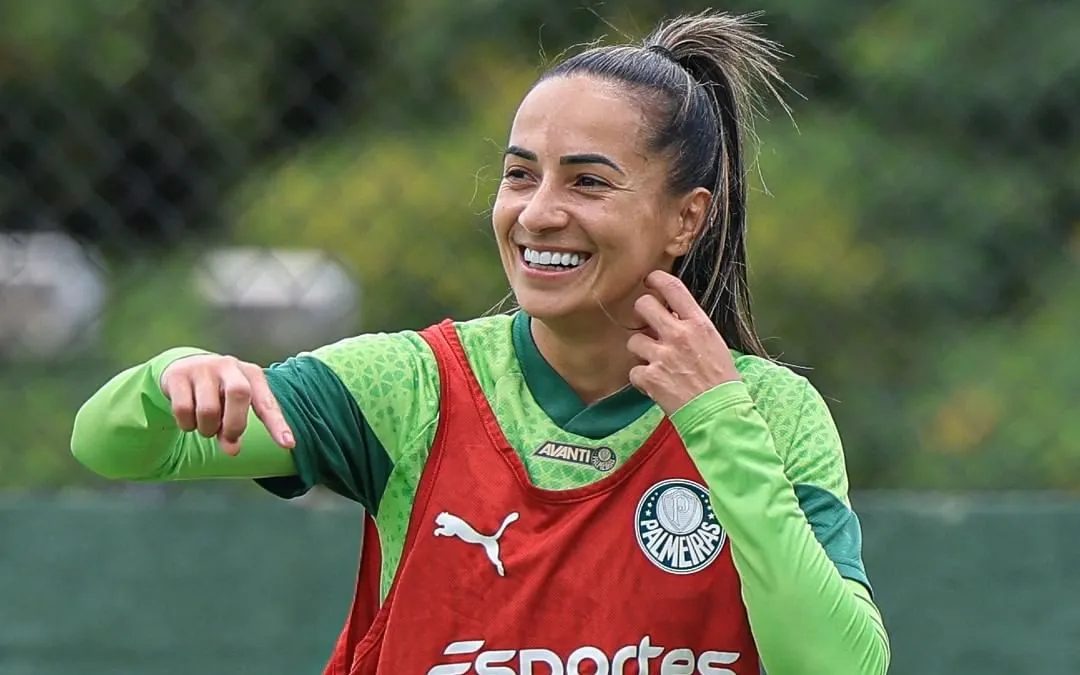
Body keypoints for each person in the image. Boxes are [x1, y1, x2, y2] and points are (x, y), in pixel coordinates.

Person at [71, 10, 891, 675]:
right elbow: (115, 446)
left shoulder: (766, 412)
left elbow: (837, 665)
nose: (537, 212)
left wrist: (716, 420)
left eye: (588, 180)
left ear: (687, 218)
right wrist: (176, 372)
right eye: (520, 173)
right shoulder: (413, 388)